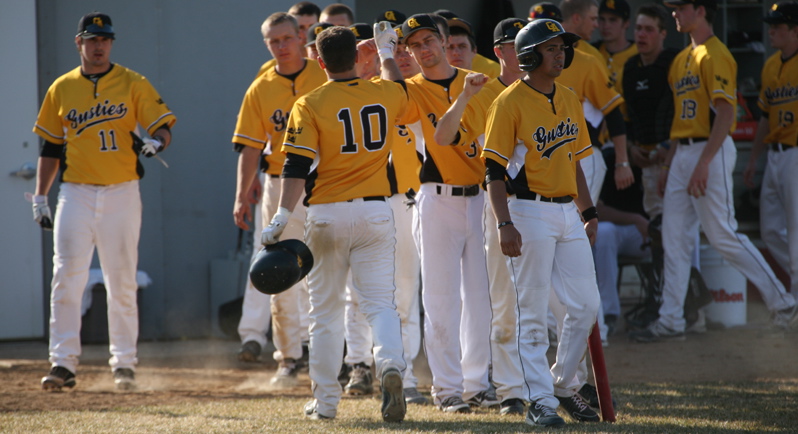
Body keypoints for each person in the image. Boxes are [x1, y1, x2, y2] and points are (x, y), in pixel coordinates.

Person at [261, 24, 408, 422]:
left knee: (325, 313)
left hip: (327, 213)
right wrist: (386, 51)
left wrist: (281, 215)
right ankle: (391, 364)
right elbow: (400, 86)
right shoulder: (385, 90)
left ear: (319, 61)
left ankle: (326, 403)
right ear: (359, 58)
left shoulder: (310, 101)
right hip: (377, 211)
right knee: (380, 304)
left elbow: (295, 165)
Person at [631, 0, 798, 342]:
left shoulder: (716, 53)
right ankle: (671, 320)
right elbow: (681, 120)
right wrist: (669, 163)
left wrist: (704, 162)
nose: (675, 13)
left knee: (722, 234)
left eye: (681, 7)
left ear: (701, 10)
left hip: (711, 148)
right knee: (673, 237)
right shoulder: (681, 58)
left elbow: (726, 114)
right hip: (683, 152)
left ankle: (783, 302)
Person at [33, 12, 176, 391]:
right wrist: (39, 196)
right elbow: (50, 146)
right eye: (92, 39)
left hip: (121, 191)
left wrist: (157, 141)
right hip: (76, 191)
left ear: (111, 43)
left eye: (105, 39)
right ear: (78, 43)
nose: (99, 46)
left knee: (121, 279)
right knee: (66, 278)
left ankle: (124, 363)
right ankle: (62, 363)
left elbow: (161, 125)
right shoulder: (62, 87)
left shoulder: (131, 82)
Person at [482, 18, 600, 427]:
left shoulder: (568, 96)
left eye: (562, 47)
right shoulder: (508, 102)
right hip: (527, 213)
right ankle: (540, 403)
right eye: (551, 48)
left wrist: (588, 212)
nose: (560, 53)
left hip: (568, 211)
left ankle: (562, 385)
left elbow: (575, 163)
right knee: (531, 313)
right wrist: (504, 223)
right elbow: (493, 172)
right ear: (529, 56)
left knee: (586, 307)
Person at [399, 13, 497, 414]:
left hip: (480, 199)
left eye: (429, 41)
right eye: (414, 45)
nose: (424, 50)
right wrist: (386, 55)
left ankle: (477, 384)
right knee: (440, 300)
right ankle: (448, 389)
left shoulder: (479, 83)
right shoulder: (410, 90)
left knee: (480, 299)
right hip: (437, 198)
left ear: (444, 41)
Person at [433, 17, 530, 417]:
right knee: (500, 302)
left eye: (528, 41)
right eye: (513, 43)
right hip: (500, 204)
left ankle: (563, 384)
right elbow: (450, 139)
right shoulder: (486, 93)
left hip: (551, 206)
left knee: (564, 306)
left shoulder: (555, 92)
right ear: (499, 51)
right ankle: (509, 389)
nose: (524, 50)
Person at [231, 12, 326, 385]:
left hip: (323, 184)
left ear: (301, 38)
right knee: (277, 269)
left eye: (287, 38)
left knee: (327, 270)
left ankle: (331, 355)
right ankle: (288, 356)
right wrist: (241, 196)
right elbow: (250, 148)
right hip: (277, 184)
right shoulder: (261, 86)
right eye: (274, 41)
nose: (281, 46)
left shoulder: (322, 74)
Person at [743, 1, 798, 299]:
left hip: (795, 153)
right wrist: (753, 158)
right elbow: (764, 116)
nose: (771, 31)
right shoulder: (771, 64)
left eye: (778, 26)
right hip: (775, 156)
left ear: (795, 30)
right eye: (771, 25)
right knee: (770, 231)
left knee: (795, 233)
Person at [594, 0, 637, 118]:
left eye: (613, 20)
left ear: (626, 23)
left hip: (627, 128)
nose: (606, 25)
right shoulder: (592, 52)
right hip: (595, 128)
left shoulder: (638, 54)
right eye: (602, 19)